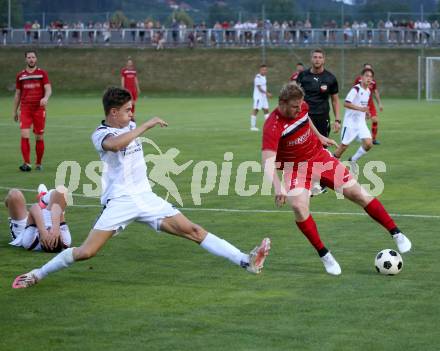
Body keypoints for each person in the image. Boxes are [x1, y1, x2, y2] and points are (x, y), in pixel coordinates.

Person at [12, 87, 271, 289]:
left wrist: (137, 125)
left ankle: (244, 261)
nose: (131, 115)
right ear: (113, 113)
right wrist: (146, 126)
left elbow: (128, 131)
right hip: (120, 201)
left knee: (193, 230)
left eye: (132, 110)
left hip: (146, 198)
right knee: (86, 252)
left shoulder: (129, 125)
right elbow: (114, 145)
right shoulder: (100, 134)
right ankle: (37, 274)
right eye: (126, 110)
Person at [261, 82, 411, 275]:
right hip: (295, 169)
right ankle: (325, 255)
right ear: (282, 102)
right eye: (294, 106)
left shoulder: (302, 107)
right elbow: (267, 160)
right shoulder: (272, 126)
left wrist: (320, 137)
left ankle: (396, 233)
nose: (299, 109)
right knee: (298, 206)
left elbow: (306, 119)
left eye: (300, 105)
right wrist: (277, 186)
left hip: (319, 158)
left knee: (358, 194)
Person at [13, 50, 52, 172]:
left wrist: (45, 98)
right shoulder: (20, 76)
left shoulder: (42, 73)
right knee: (24, 134)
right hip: (25, 109)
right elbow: (18, 94)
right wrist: (14, 111)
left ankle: (39, 163)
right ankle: (27, 163)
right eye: (29, 57)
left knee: (39, 137)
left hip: (39, 109)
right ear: (26, 59)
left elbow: (48, 89)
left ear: (36, 59)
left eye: (33, 57)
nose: (31, 59)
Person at [5, 184, 71, 252]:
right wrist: (56, 228)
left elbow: (35, 207)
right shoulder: (65, 240)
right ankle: (43, 199)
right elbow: (56, 207)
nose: (48, 231)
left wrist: (42, 231)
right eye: (52, 236)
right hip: (45, 221)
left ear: (41, 240)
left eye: (47, 237)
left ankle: (43, 201)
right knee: (62, 191)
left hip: (25, 228)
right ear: (59, 236)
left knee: (14, 195)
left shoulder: (29, 242)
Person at [335, 68, 375, 172]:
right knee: (342, 148)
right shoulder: (355, 89)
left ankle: (352, 160)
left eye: (370, 77)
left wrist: (366, 113)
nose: (369, 78)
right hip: (350, 124)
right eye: (366, 76)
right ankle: (330, 168)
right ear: (361, 77)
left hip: (361, 124)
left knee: (368, 143)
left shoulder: (368, 91)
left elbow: (363, 105)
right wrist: (361, 109)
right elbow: (346, 103)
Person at [296, 48, 340, 138]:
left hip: (323, 118)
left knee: (322, 147)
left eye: (320, 57)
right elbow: (296, 96)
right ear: (311, 59)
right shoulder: (302, 76)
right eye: (315, 57)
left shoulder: (330, 78)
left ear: (324, 60)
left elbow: (335, 100)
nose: (317, 59)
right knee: (304, 147)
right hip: (305, 117)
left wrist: (337, 120)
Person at [353, 63, 383, 145]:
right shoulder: (358, 80)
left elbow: (375, 92)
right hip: (361, 104)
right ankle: (358, 136)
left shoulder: (373, 82)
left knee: (375, 120)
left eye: (370, 69)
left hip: (370, 104)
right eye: (366, 69)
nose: (368, 71)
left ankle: (373, 139)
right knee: (361, 121)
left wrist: (379, 103)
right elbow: (354, 92)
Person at [250, 64, 272, 131]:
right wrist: (267, 93)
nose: (264, 71)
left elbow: (264, 87)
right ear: (260, 70)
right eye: (263, 70)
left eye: (265, 70)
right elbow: (259, 88)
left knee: (266, 110)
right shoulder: (258, 77)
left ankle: (268, 126)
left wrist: (266, 94)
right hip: (258, 97)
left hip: (263, 97)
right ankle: (253, 127)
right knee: (256, 110)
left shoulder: (264, 77)